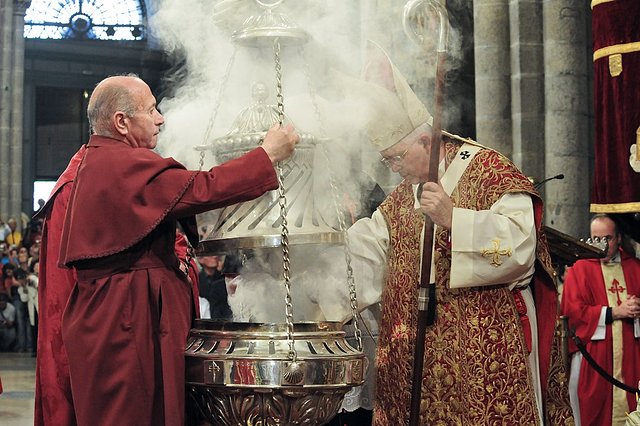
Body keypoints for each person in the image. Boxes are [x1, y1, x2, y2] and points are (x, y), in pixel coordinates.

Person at [309, 43, 572, 425]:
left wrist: (454, 218)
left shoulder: (488, 170)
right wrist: (311, 273)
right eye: (388, 161)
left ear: (426, 141)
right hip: (421, 358)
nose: (395, 168)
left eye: (398, 157)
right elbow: (367, 254)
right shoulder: (403, 198)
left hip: (483, 350)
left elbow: (522, 249)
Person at [35, 74, 299, 426]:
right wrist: (266, 156)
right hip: (126, 325)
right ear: (121, 122)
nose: (160, 118)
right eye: (151, 109)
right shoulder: (122, 164)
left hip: (114, 320)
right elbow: (204, 189)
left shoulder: (97, 162)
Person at [560, 214, 640, 426]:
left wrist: (636, 308)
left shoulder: (635, 267)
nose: (602, 245)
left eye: (608, 238)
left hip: (631, 355)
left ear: (620, 238)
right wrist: (614, 312)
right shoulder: (580, 268)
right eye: (596, 239)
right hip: (595, 357)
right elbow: (573, 312)